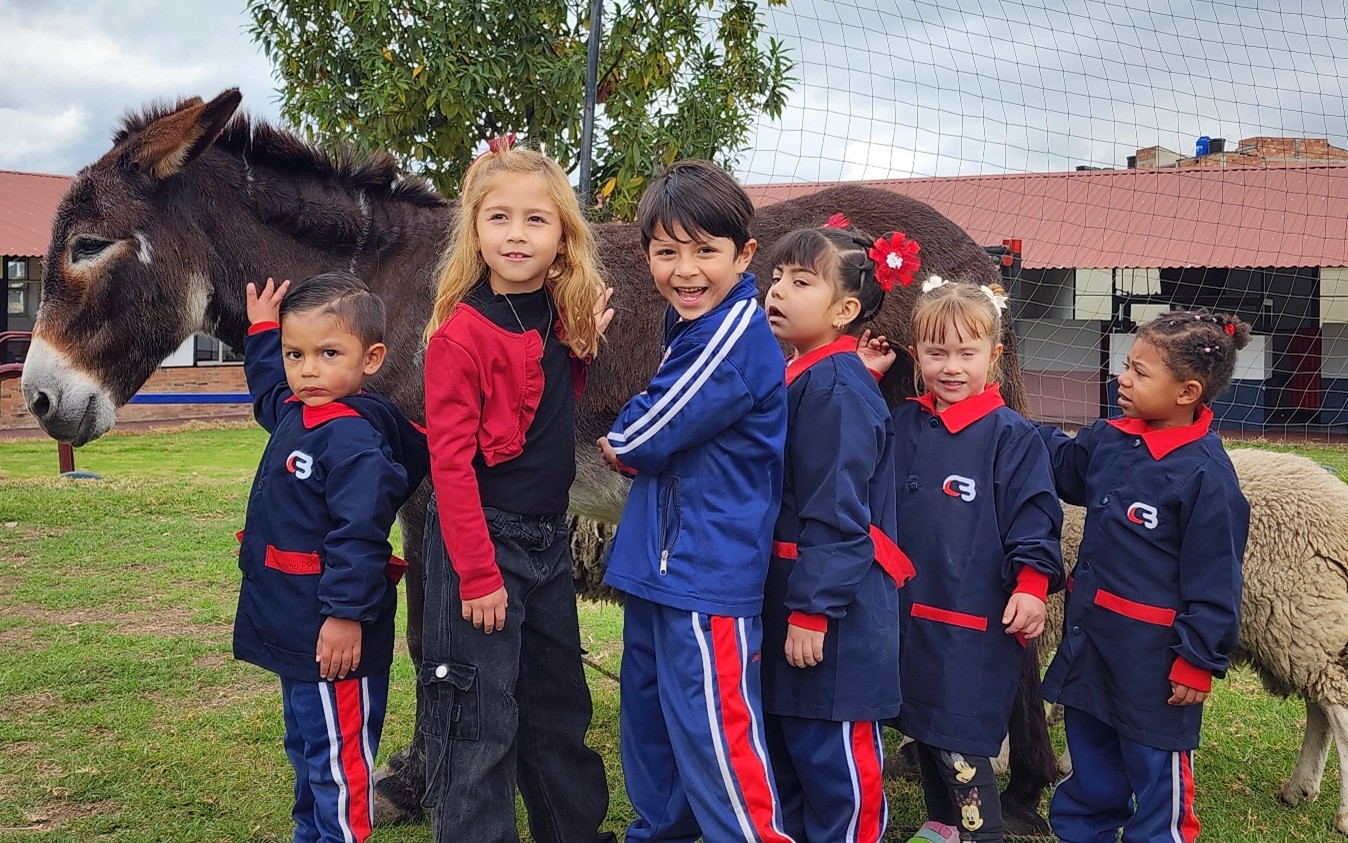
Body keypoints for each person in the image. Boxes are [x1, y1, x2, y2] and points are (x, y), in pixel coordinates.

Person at [419, 136, 615, 843]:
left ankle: (573, 832)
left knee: (557, 702)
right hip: (483, 544)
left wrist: (584, 344)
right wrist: (477, 571)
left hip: (545, 539)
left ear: (563, 235)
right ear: (475, 230)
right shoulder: (460, 337)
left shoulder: (560, 319)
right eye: (499, 217)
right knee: (481, 716)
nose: (516, 233)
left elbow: (550, 412)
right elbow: (450, 466)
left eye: (536, 219)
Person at [596, 159, 795, 842]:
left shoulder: (733, 335)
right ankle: (666, 830)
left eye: (705, 250)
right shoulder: (689, 327)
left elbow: (646, 431)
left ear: (744, 256)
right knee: (652, 717)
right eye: (666, 251)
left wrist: (622, 439)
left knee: (715, 728)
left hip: (706, 569)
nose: (685, 269)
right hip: (662, 560)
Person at [1037, 310, 1251, 843]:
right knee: (1090, 770)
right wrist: (1006, 420)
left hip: (1155, 666)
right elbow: (1066, 469)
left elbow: (1217, 579)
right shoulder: (1109, 439)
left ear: (1187, 392)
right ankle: (1083, 831)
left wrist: (1197, 660)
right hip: (1093, 646)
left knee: (1157, 776)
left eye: (1139, 372)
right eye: (1125, 366)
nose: (1122, 379)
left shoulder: (1206, 475)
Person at [864, 276, 1064, 843]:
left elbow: (1035, 518)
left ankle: (982, 832)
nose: (951, 366)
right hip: (905, 614)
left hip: (972, 623)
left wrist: (1030, 585)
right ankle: (942, 825)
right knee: (921, 726)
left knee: (958, 737)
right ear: (916, 353)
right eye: (936, 352)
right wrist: (862, 375)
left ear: (994, 356)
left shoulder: (1012, 436)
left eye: (966, 352)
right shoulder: (899, 423)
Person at [234, 271, 429, 843]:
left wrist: (346, 617)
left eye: (328, 353)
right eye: (297, 354)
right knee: (305, 747)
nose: (308, 370)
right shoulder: (298, 411)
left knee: (337, 764)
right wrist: (264, 334)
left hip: (336, 637)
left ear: (370, 359)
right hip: (298, 626)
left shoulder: (355, 441)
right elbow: (272, 391)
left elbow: (360, 539)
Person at [757, 218, 914, 843]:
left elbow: (839, 514)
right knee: (791, 751)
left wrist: (813, 612)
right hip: (792, 588)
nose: (777, 291)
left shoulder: (839, 389)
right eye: (775, 277)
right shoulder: (811, 373)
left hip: (831, 607)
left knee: (835, 764)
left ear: (845, 308)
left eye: (800, 281)